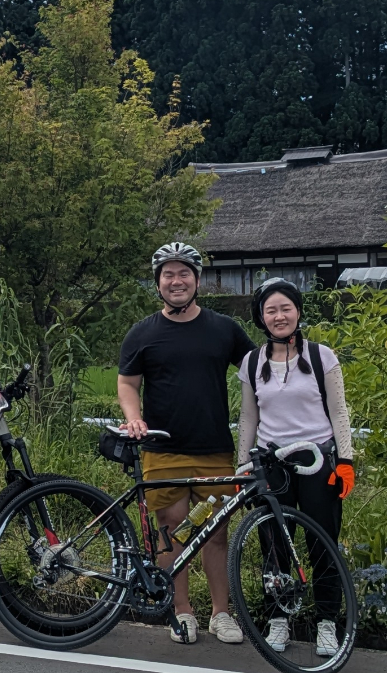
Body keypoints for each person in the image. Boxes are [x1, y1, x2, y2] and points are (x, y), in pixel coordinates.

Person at [118, 242, 254, 646]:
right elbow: (127, 383)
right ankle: (182, 612)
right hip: (162, 449)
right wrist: (134, 417)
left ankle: (221, 613)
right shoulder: (142, 332)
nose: (176, 281)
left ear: (197, 280)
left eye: (183, 274)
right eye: (168, 275)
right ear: (158, 283)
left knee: (215, 532)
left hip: (214, 447)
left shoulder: (224, 329)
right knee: (172, 530)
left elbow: (257, 371)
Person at [237, 277, 355, 657]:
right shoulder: (253, 362)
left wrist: (347, 461)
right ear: (261, 317)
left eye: (285, 308)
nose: (279, 315)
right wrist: (243, 465)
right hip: (271, 463)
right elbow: (248, 418)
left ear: (298, 311)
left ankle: (326, 623)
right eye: (270, 310)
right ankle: (278, 619)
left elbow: (339, 413)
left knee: (322, 543)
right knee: (273, 546)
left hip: (317, 461)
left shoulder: (322, 357)